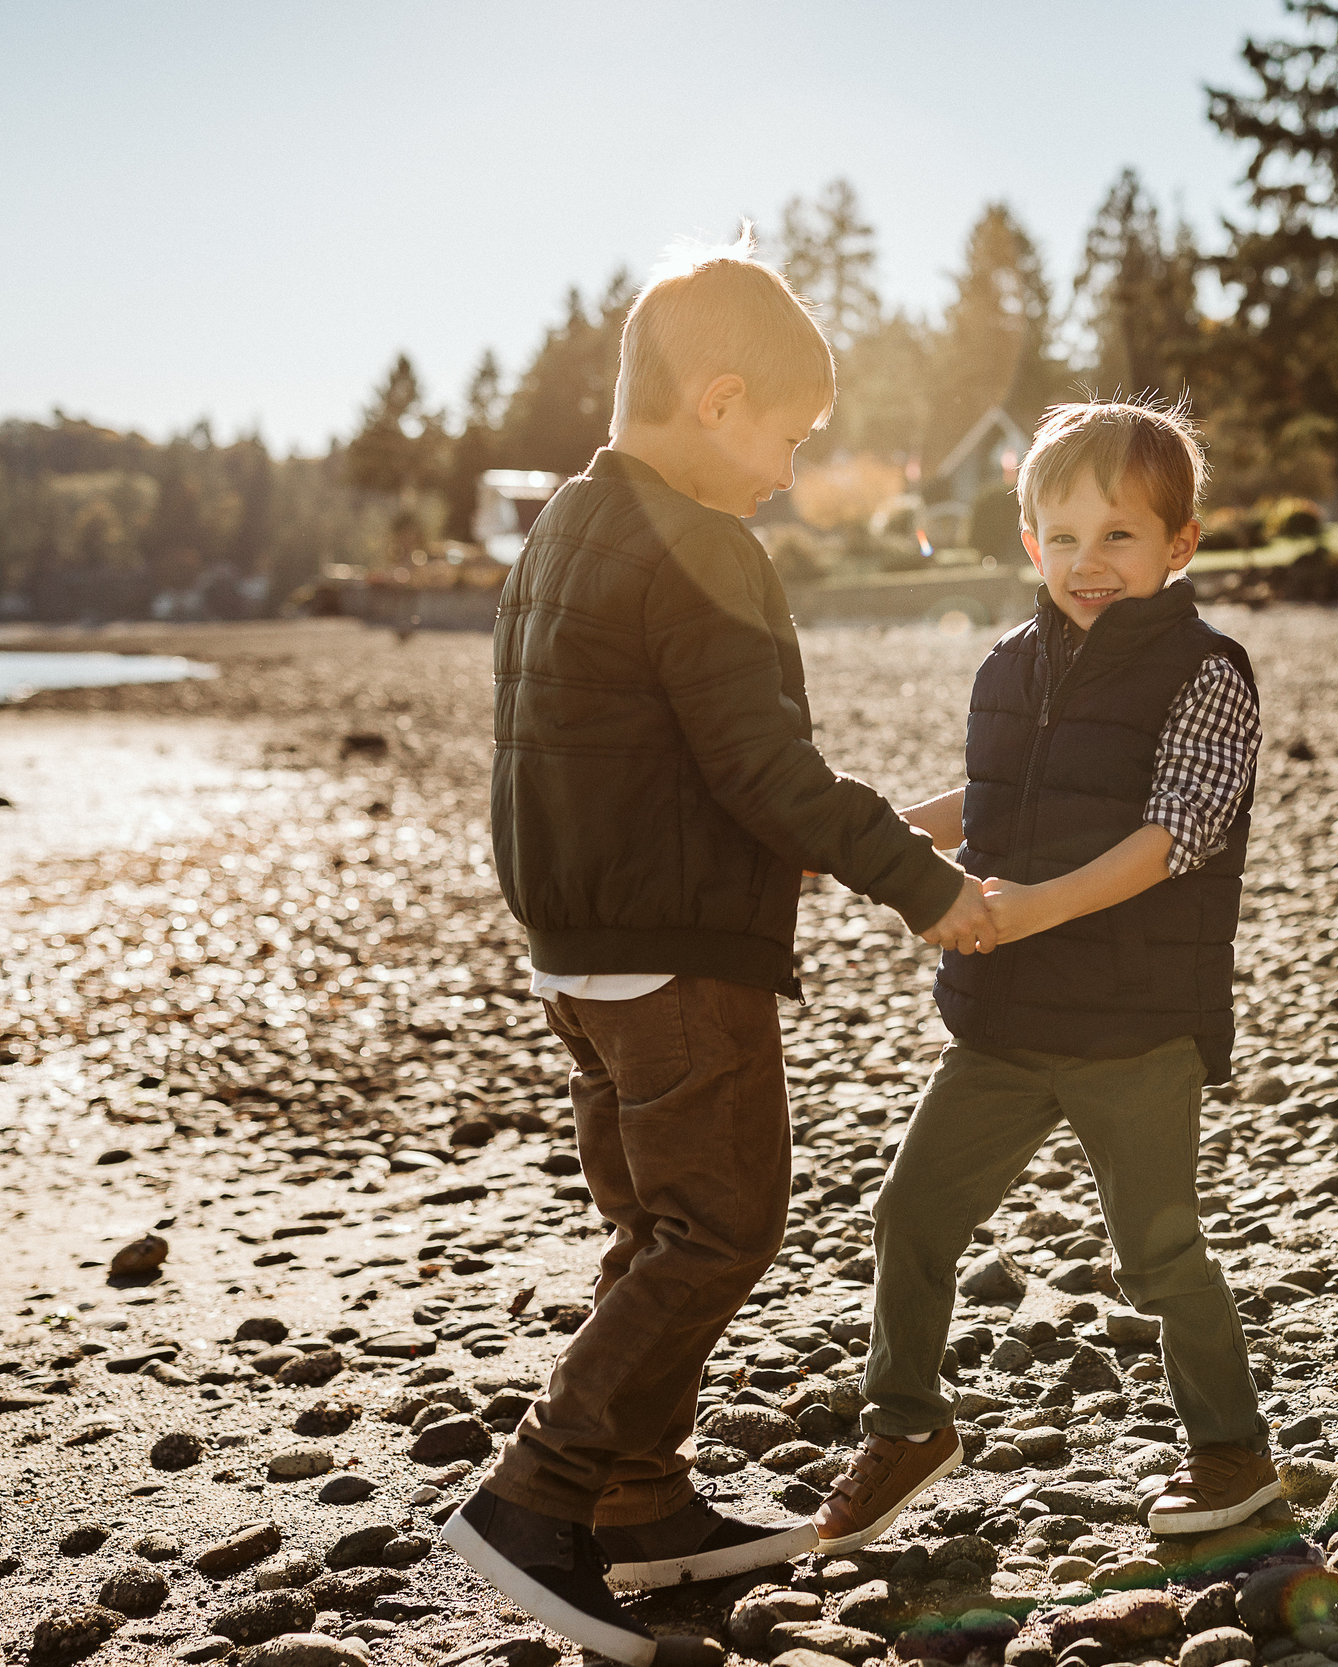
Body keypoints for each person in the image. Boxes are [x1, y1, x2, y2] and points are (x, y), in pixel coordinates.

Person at [442, 235, 999, 1667]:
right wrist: (926, 886)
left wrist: (898, 823)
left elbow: (677, 764)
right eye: (789, 440)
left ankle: (639, 1496)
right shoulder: (705, 543)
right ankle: (535, 1494)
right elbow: (766, 776)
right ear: (719, 398)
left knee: (653, 1226)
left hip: (580, 955)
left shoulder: (565, 525)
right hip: (679, 966)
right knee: (718, 1226)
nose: (786, 475)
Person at [812, 399, 1277, 1554]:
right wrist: (867, 836)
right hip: (1003, 1025)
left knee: (1159, 1252)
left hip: (1136, 1024)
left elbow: (1174, 834)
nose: (1088, 562)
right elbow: (995, 799)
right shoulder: (1008, 665)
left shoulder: (1206, 672)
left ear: (1181, 544)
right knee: (912, 1213)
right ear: (1027, 543)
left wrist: (1024, 911)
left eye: (1120, 535)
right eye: (1062, 536)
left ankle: (1234, 1453)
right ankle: (907, 1423)